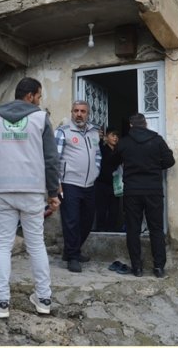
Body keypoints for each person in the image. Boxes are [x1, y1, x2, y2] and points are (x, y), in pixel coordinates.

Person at [0, 77, 60, 318]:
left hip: (2, 190)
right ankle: (43, 299)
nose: (39, 101)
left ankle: (1, 302)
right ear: (31, 95)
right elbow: (51, 159)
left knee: (2, 245)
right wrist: (52, 193)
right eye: (39, 97)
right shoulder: (41, 118)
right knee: (36, 244)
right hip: (32, 190)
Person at [104, 114, 175, 277]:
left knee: (133, 230)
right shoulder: (157, 140)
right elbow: (170, 161)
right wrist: (155, 166)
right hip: (153, 190)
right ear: (145, 124)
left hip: (132, 191)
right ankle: (158, 268)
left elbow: (112, 161)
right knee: (156, 229)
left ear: (130, 125)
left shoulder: (124, 142)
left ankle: (137, 268)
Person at [54, 100, 100, 272]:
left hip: (89, 184)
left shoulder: (94, 132)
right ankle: (73, 256)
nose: (79, 114)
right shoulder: (62, 132)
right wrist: (57, 184)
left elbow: (97, 155)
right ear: (71, 112)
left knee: (87, 221)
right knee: (71, 221)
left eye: (83, 111)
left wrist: (96, 171)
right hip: (69, 184)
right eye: (76, 111)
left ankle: (70, 250)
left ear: (88, 114)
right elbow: (54, 160)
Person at [94, 128, 122, 232]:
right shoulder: (102, 148)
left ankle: (112, 229)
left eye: (117, 136)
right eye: (113, 135)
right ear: (107, 137)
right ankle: (101, 229)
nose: (115, 138)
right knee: (101, 208)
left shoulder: (119, 150)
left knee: (114, 209)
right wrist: (100, 139)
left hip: (115, 184)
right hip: (101, 183)